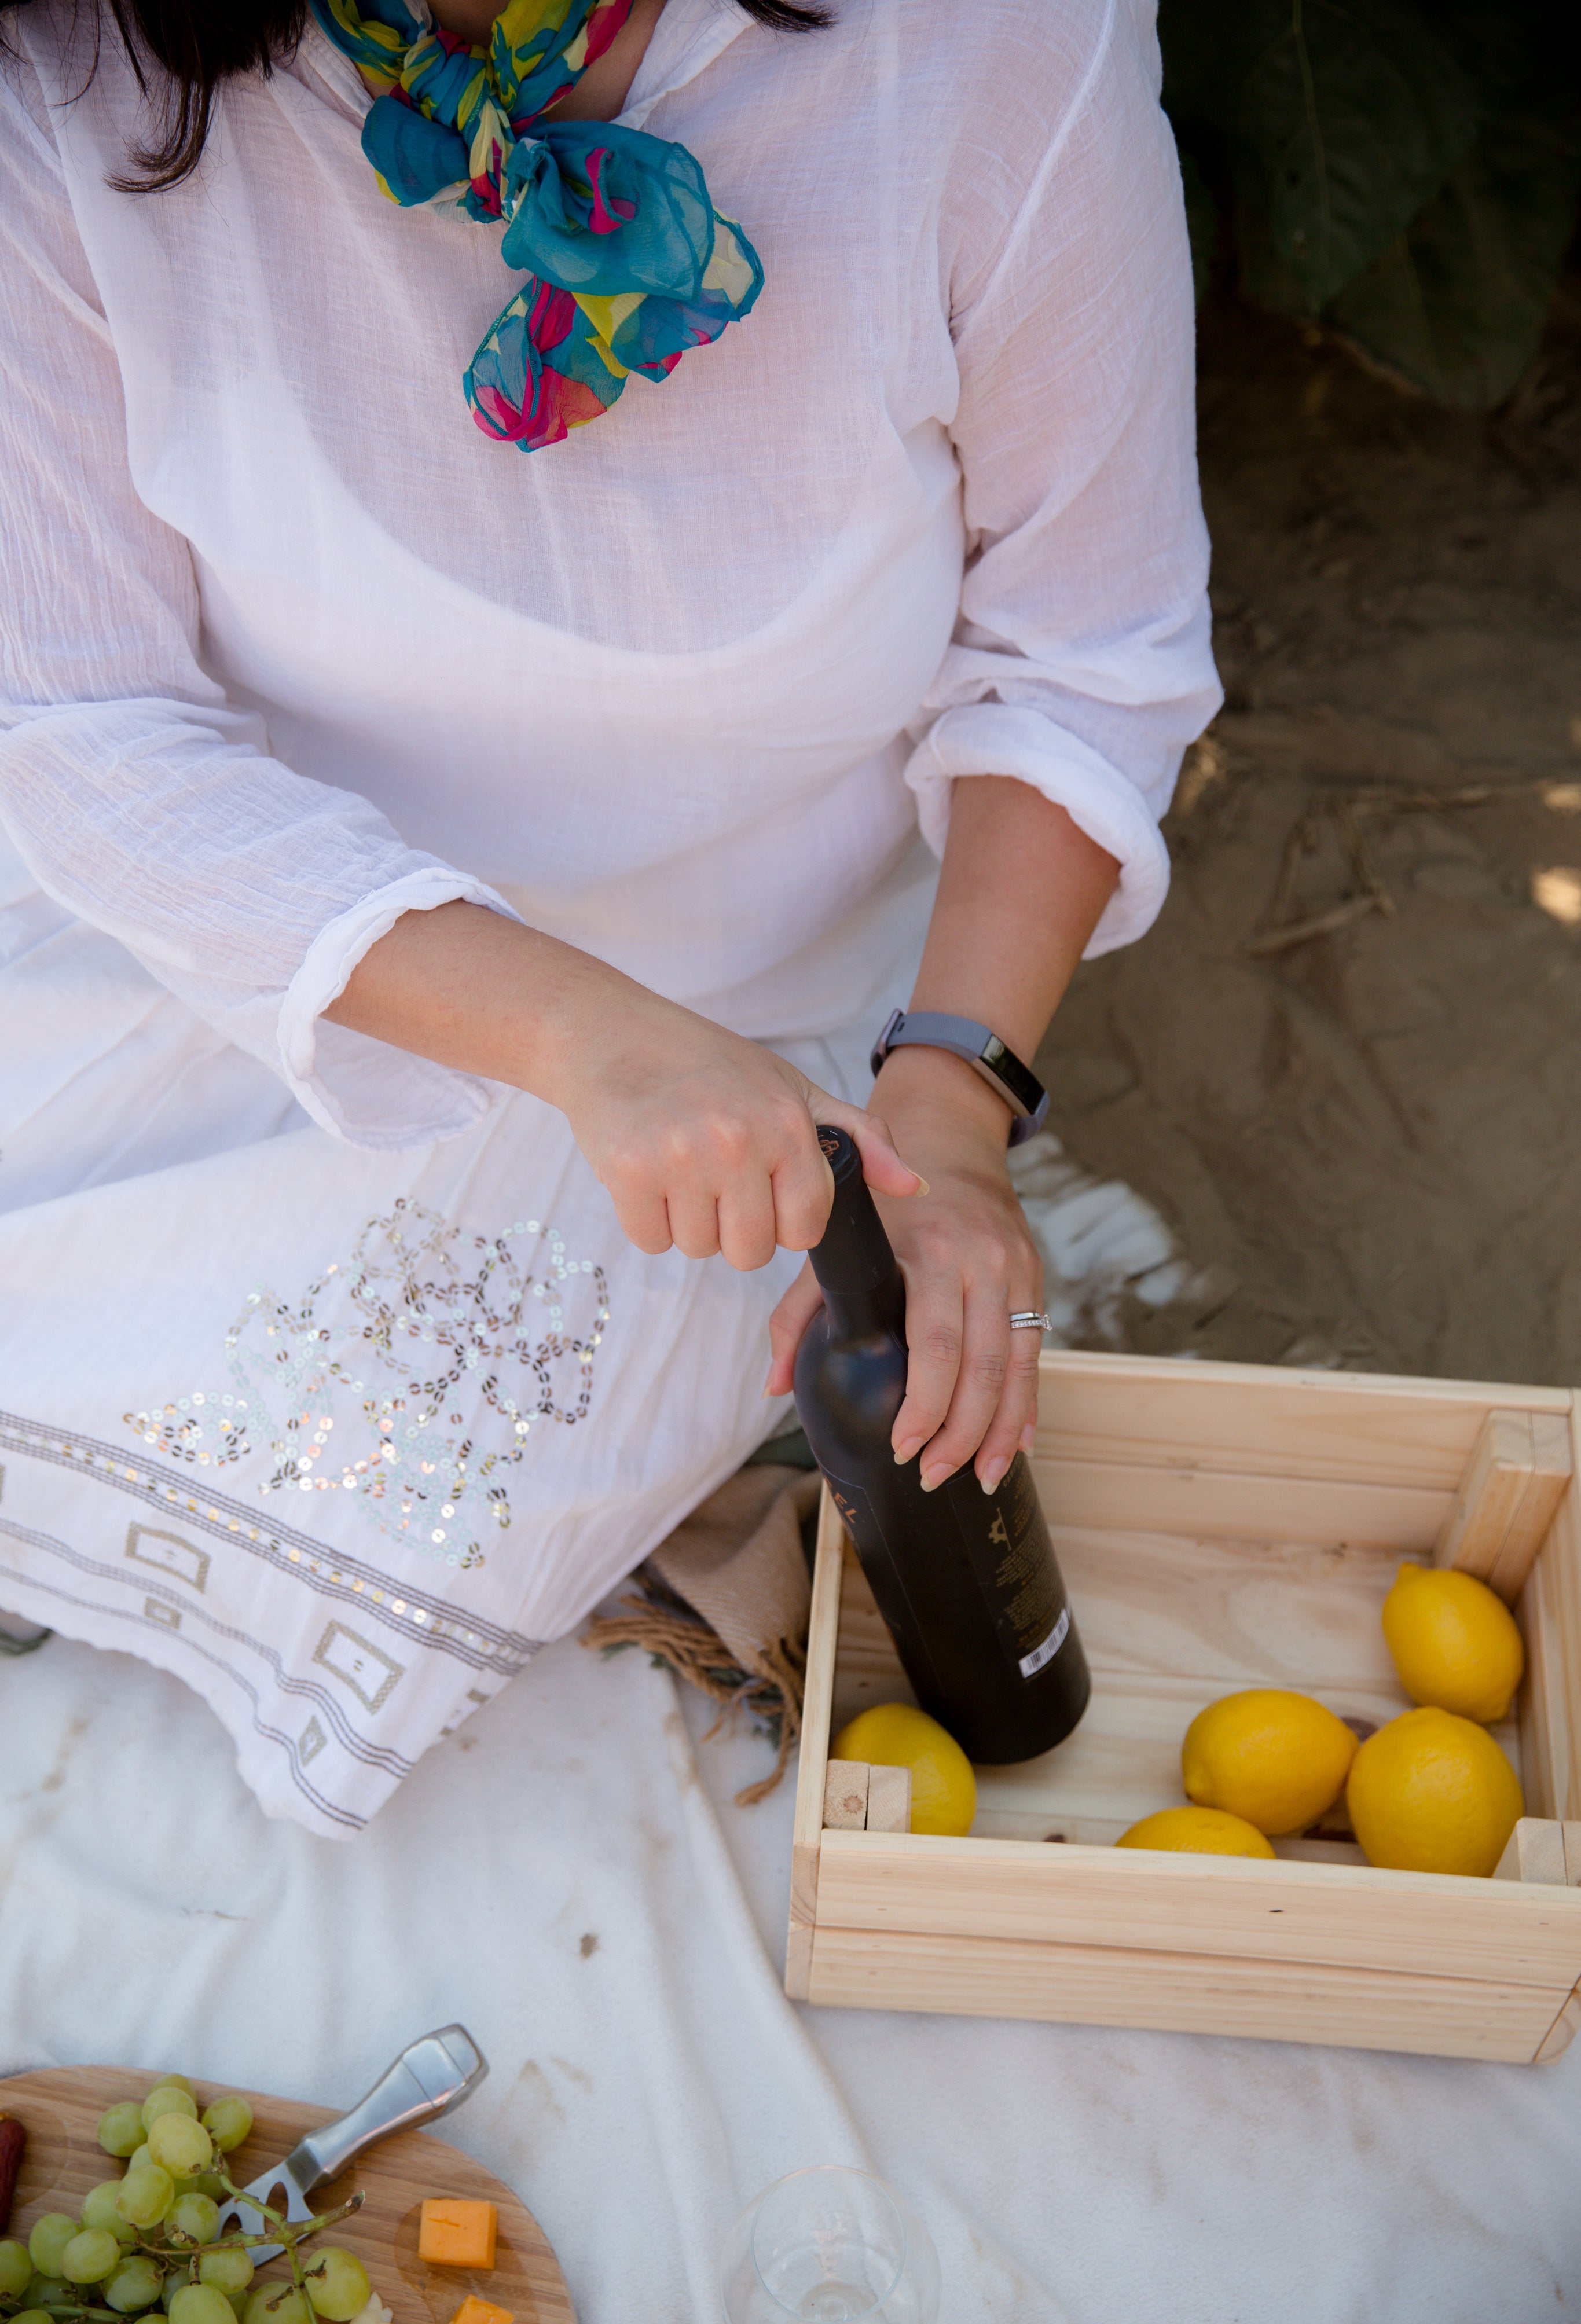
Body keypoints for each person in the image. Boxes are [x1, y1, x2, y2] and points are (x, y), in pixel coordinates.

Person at [0, 0, 1219, 1833]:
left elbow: (1085, 654)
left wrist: (953, 1106)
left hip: (744, 1024)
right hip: (260, 936)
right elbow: (77, 728)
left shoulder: (992, 45)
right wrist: (573, 1034)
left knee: (453, 1497)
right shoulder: (64, 78)